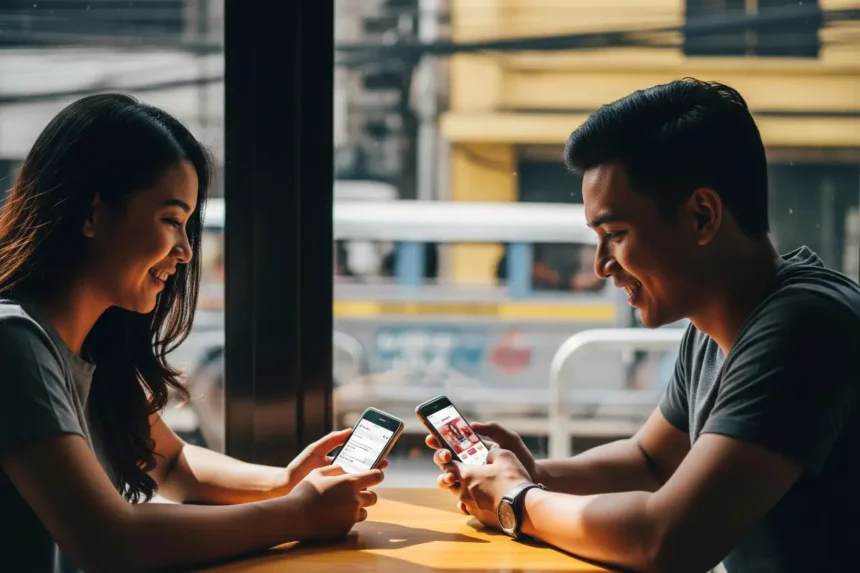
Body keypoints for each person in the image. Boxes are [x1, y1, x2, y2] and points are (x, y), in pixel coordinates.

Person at [426, 78, 859, 573]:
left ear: (702, 216)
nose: (600, 266)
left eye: (615, 234)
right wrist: (533, 472)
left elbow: (668, 540)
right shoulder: (717, 320)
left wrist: (518, 502)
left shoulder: (805, 326)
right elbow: (651, 462)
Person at [0, 94, 385, 573]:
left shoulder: (94, 346)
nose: (185, 250)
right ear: (92, 212)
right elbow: (108, 541)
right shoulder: (13, 342)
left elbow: (173, 465)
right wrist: (298, 514)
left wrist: (286, 481)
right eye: (170, 220)